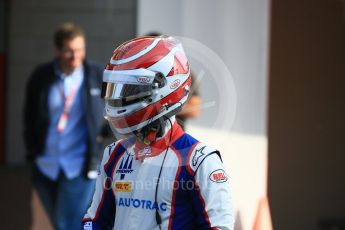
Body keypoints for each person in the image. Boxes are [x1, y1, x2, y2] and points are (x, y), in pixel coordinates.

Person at [82, 36, 234, 229]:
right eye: (117, 88)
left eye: (131, 89)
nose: (120, 98)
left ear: (165, 88)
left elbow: (218, 226)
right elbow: (94, 220)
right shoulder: (114, 154)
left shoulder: (201, 161)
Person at [23, 22, 109, 230]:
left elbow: (112, 109)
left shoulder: (96, 75)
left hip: (80, 164)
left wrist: (103, 135)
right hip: (46, 165)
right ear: (57, 51)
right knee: (61, 222)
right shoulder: (42, 76)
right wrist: (32, 152)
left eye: (80, 49)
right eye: (69, 51)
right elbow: (29, 116)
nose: (75, 56)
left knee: (66, 223)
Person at [145, 32, 202, 130]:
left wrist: (161, 108)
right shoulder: (139, 74)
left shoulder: (183, 73)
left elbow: (194, 110)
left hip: (173, 137)